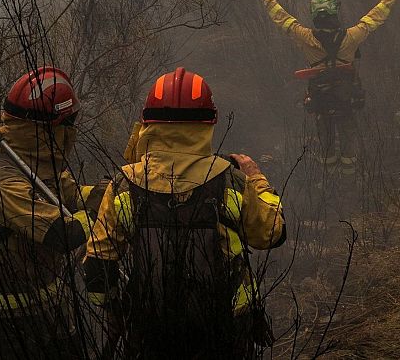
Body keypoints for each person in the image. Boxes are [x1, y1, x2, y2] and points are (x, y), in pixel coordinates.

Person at [84, 68, 287, 359]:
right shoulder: (231, 181)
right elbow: (272, 234)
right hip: (226, 327)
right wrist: (257, 178)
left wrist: (117, 311)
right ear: (209, 123)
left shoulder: (125, 185)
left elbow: (96, 267)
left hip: (151, 329)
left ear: (147, 124)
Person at [0, 66, 95, 360]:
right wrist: (102, 219)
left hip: (50, 308)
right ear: (51, 127)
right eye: (70, 122)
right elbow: (60, 233)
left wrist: (112, 192)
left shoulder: (36, 163)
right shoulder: (0, 183)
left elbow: (73, 194)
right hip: (9, 322)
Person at [253, 0, 400, 172]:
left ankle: (329, 176)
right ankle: (350, 177)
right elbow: (375, 17)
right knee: (348, 140)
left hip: (321, 101)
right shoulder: (351, 37)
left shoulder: (305, 37)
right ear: (335, 12)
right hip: (346, 100)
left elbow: (281, 18)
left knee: (326, 144)